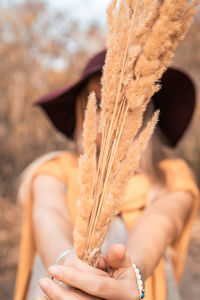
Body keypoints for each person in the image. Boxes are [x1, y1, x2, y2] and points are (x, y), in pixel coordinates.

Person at [14, 50, 199, 300]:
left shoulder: (170, 175)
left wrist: (133, 271)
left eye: (124, 105)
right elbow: (49, 215)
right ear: (83, 111)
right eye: (98, 103)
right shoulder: (56, 168)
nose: (109, 118)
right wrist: (66, 266)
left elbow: (160, 223)